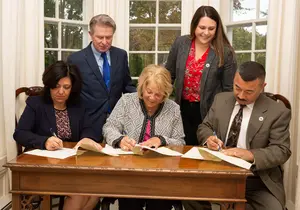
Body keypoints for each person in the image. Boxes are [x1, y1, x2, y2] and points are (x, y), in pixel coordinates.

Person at [195, 61, 291, 210]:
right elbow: (205, 126)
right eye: (237, 88)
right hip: (218, 173)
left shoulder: (277, 112)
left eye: (249, 92)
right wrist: (208, 139)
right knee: (189, 196)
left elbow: (281, 150)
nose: (241, 95)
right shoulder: (221, 100)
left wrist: (250, 155)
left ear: (262, 87)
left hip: (255, 180)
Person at [13, 61, 101, 210]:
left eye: (66, 87)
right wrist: (44, 141)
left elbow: (90, 129)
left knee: (96, 191)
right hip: (45, 167)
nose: (61, 92)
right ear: (49, 85)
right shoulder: (36, 104)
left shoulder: (78, 104)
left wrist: (87, 138)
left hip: (73, 165)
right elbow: (20, 133)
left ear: (72, 88)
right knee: (80, 193)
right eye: (56, 86)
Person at [103, 64, 185, 210]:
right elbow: (109, 127)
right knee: (130, 202)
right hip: (129, 173)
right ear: (142, 87)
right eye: (149, 92)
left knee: (159, 203)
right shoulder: (126, 101)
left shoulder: (173, 109)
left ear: (165, 94)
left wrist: (161, 139)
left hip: (161, 175)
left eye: (158, 95)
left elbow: (180, 141)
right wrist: (120, 139)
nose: (152, 98)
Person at [165, 6, 237, 146]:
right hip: (182, 109)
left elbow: (228, 91)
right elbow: (169, 75)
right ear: (194, 26)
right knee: (182, 151)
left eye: (211, 29)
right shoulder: (181, 43)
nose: (206, 33)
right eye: (202, 27)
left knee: (204, 154)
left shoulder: (226, 52)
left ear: (217, 29)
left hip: (209, 113)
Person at [68, 14, 136, 141]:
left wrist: (146, 97)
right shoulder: (76, 59)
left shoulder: (121, 55)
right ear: (90, 34)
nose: (104, 42)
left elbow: (127, 86)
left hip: (117, 122)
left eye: (109, 37)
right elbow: (72, 94)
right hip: (88, 123)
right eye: (100, 37)